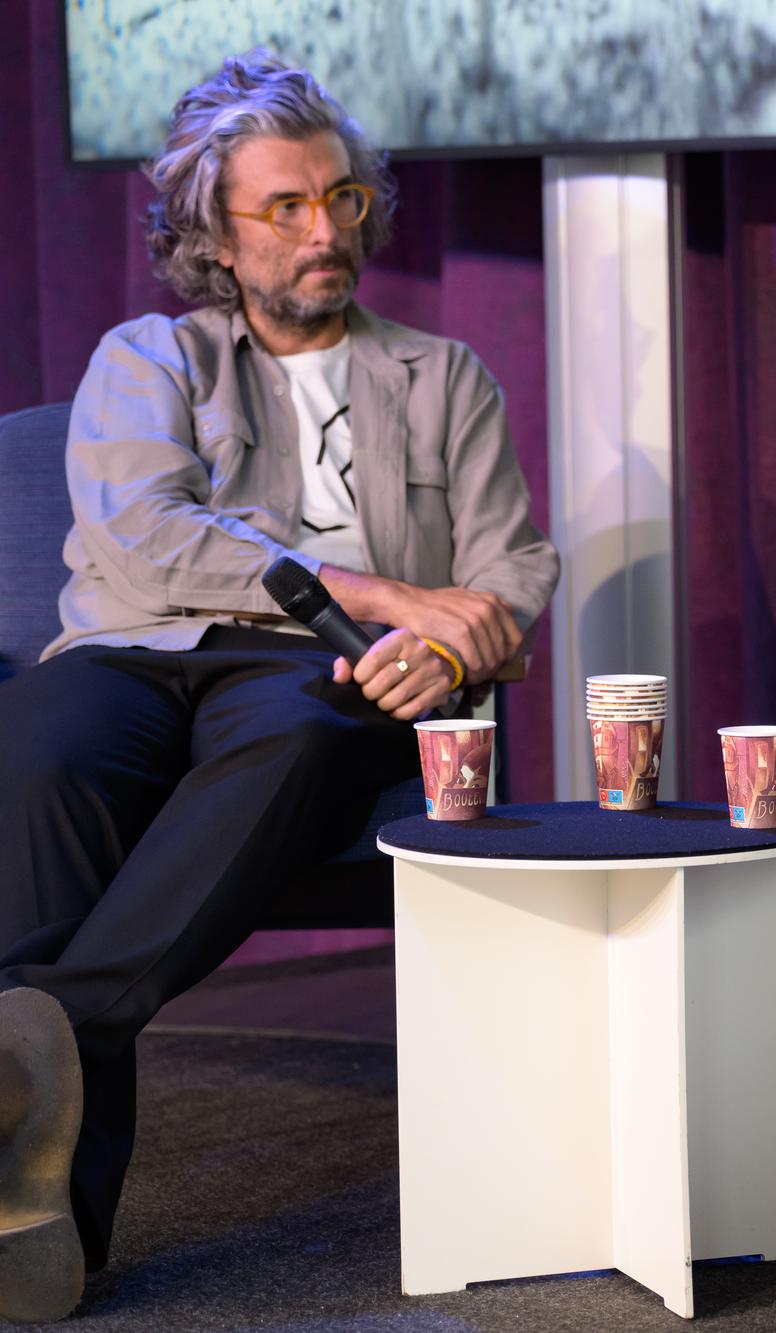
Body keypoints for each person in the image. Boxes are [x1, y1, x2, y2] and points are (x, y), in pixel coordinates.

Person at [0, 51, 558, 1322]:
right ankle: (39, 1213)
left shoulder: (443, 376)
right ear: (213, 230)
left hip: (321, 670)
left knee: (308, 731)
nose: (325, 230)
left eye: (342, 198)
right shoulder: (147, 357)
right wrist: (391, 593)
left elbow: (509, 569)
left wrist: (448, 646)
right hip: (136, 650)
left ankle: (41, 1045)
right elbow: (149, 538)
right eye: (288, 206)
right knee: (39, 745)